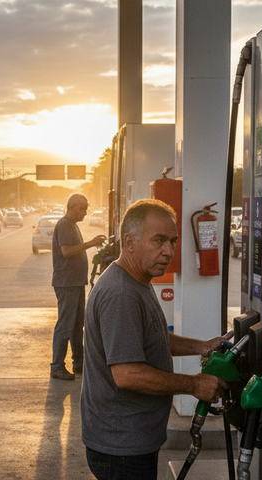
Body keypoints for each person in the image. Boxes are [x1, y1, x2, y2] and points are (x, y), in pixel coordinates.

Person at [80, 198, 233, 480]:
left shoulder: (137, 280)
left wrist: (201, 347)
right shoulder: (121, 294)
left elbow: (152, 337)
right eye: (159, 241)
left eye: (172, 241)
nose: (168, 251)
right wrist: (193, 384)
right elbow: (127, 374)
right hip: (122, 447)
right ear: (129, 242)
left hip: (130, 439)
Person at [50, 194, 107, 381]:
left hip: (75, 282)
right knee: (65, 325)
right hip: (67, 283)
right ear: (72, 207)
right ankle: (57, 366)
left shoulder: (72, 225)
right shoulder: (65, 225)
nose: (85, 212)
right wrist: (91, 243)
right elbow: (66, 251)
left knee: (76, 325)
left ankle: (79, 362)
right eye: (82, 208)